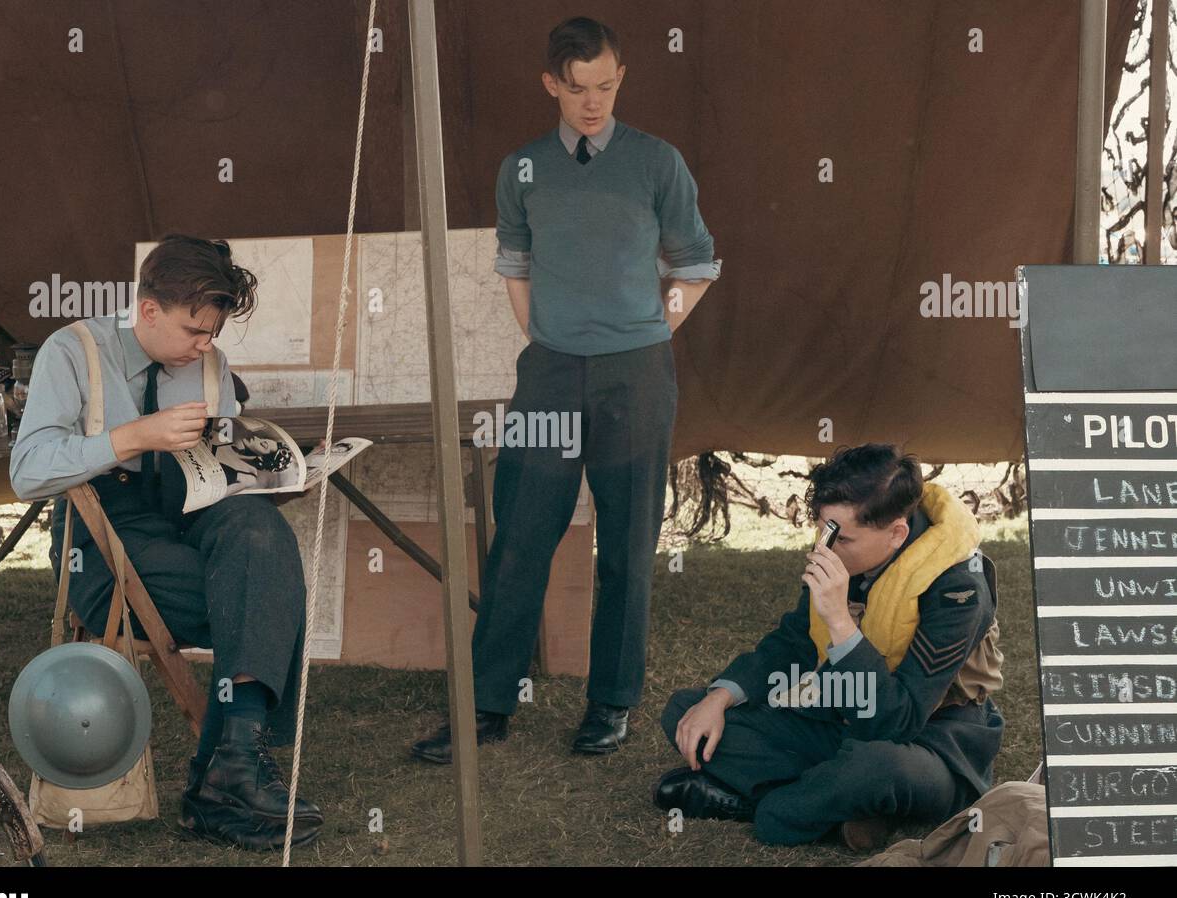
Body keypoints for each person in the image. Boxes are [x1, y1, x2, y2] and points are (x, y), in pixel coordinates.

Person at [411, 16, 721, 763]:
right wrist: (549, 341)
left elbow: (699, 264)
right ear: (552, 83)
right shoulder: (522, 168)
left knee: (625, 545)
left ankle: (609, 705)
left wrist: (654, 327)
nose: (593, 102)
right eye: (578, 88)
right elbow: (514, 267)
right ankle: (485, 707)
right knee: (520, 534)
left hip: (638, 374)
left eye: (607, 86)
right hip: (549, 373)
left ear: (621, 78)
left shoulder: (657, 162)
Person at [9, 234, 323, 851]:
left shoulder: (210, 365)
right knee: (264, 602)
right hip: (105, 541)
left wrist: (277, 476)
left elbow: (224, 471)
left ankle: (229, 772)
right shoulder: (72, 351)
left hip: (191, 514)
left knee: (263, 536)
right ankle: (224, 779)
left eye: (213, 333)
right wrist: (133, 436)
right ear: (148, 310)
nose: (206, 346)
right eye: (194, 331)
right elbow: (27, 471)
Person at [655, 444, 1005, 849]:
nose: (825, 546)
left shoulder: (958, 589)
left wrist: (840, 620)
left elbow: (898, 721)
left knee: (870, 768)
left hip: (929, 742)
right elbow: (794, 642)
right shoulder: (845, 550)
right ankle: (842, 805)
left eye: (844, 537)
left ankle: (771, 807)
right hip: (842, 719)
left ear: (896, 533)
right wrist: (719, 697)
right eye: (823, 528)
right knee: (687, 712)